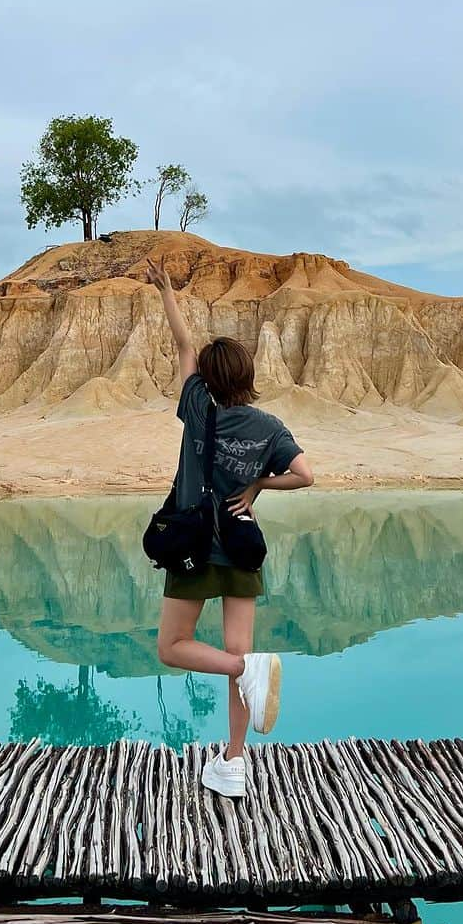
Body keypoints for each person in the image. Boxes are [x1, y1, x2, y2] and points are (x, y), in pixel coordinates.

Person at [147, 258, 315, 799]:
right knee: (240, 653)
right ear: (246, 377)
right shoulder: (269, 425)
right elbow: (306, 475)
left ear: (210, 381)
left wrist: (168, 293)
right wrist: (261, 485)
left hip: (196, 545)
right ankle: (234, 765)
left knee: (173, 647)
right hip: (243, 542)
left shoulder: (198, 409)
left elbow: (183, 348)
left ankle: (245, 670)